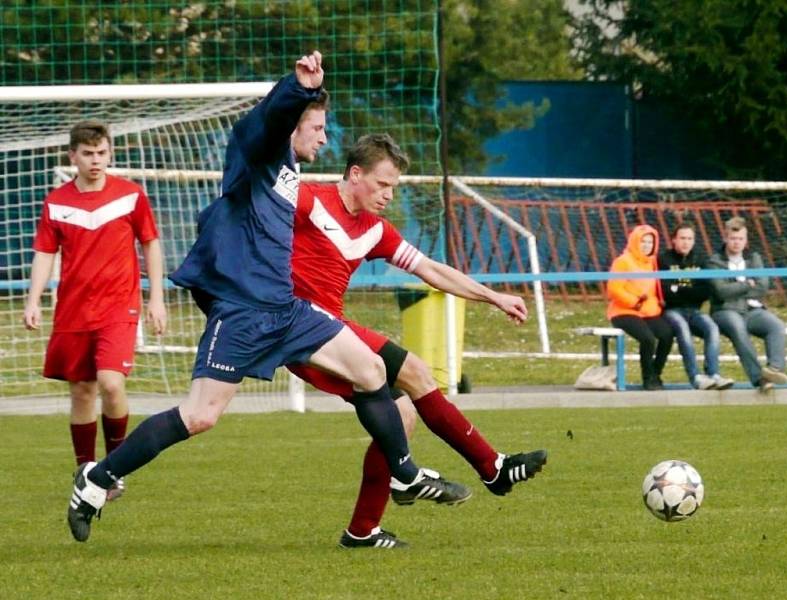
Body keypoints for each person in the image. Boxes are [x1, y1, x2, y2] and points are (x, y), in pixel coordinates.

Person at [65, 51, 469, 543]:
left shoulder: (290, 174)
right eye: (317, 127)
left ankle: (403, 472)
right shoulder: (255, 157)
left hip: (286, 309)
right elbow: (265, 123)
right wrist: (297, 91)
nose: (324, 137)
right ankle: (96, 478)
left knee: (372, 371)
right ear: (293, 125)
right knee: (199, 416)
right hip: (241, 313)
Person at [287, 133, 548, 549]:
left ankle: (363, 531)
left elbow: (430, 268)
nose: (389, 195)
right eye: (383, 184)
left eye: (394, 187)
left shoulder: (374, 230)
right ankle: (489, 467)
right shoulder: (305, 199)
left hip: (329, 330)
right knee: (412, 373)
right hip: (299, 329)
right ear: (356, 174)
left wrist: (493, 296)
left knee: (404, 412)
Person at [23, 120, 167, 501]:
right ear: (73, 156)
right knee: (82, 392)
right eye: (87, 154)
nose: (95, 160)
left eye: (101, 153)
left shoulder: (131, 196)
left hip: (119, 307)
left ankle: (113, 469)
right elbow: (44, 253)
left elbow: (151, 244)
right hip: (73, 311)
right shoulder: (57, 202)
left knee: (111, 383)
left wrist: (156, 298)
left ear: (110, 154)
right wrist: (33, 299)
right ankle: (85, 471)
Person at [707, 217, 787, 393]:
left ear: (746, 240)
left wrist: (738, 289)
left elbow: (762, 287)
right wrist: (746, 285)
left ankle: (774, 369)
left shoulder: (754, 258)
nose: (737, 243)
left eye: (740, 239)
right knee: (737, 327)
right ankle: (759, 379)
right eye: (733, 238)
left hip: (752, 310)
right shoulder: (715, 261)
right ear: (726, 238)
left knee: (776, 325)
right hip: (725, 310)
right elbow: (721, 292)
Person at [658, 223, 734, 390]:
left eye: (690, 238)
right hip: (671, 310)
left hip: (694, 309)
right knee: (683, 329)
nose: (686, 242)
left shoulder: (700, 259)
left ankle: (714, 374)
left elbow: (705, 291)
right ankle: (696, 377)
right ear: (674, 240)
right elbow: (665, 292)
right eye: (682, 238)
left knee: (712, 328)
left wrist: (678, 288)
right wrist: (688, 290)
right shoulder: (663, 259)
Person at [607, 225, 673, 391]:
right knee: (647, 339)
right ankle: (647, 378)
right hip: (623, 312)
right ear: (635, 241)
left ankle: (655, 374)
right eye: (643, 241)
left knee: (666, 335)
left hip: (647, 312)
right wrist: (634, 302)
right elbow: (614, 289)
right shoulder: (622, 261)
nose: (647, 245)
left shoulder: (652, 263)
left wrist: (655, 307)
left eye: (650, 242)